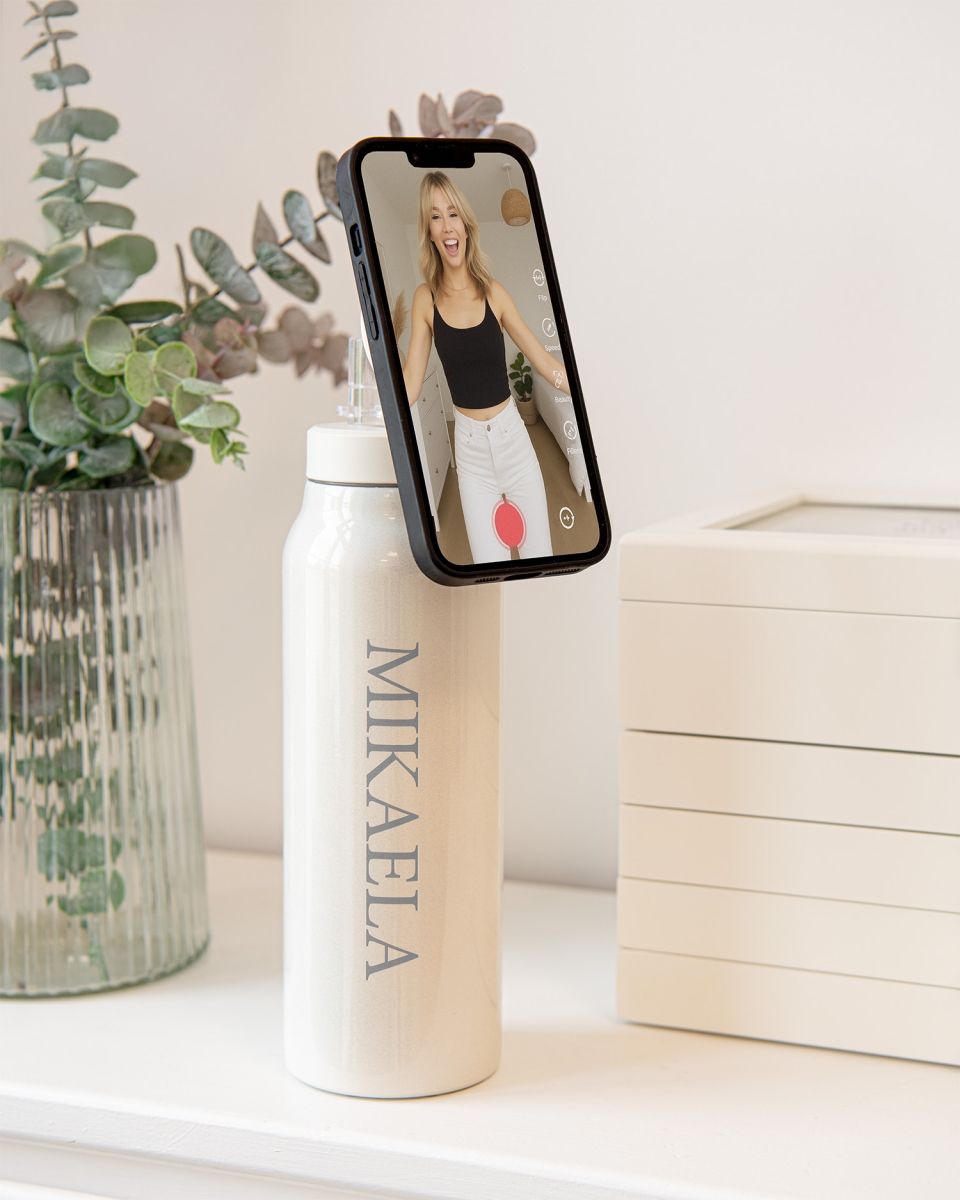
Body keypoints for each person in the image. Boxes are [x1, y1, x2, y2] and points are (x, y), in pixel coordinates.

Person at [402, 171, 570, 564]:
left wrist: (582, 390)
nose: (447, 225)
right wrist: (377, 406)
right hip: (471, 452)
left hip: (514, 441)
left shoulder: (494, 293)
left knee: (539, 557)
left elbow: (543, 360)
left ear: (465, 225)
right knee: (488, 568)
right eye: (436, 217)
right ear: (429, 232)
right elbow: (410, 383)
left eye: (453, 214)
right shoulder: (426, 299)